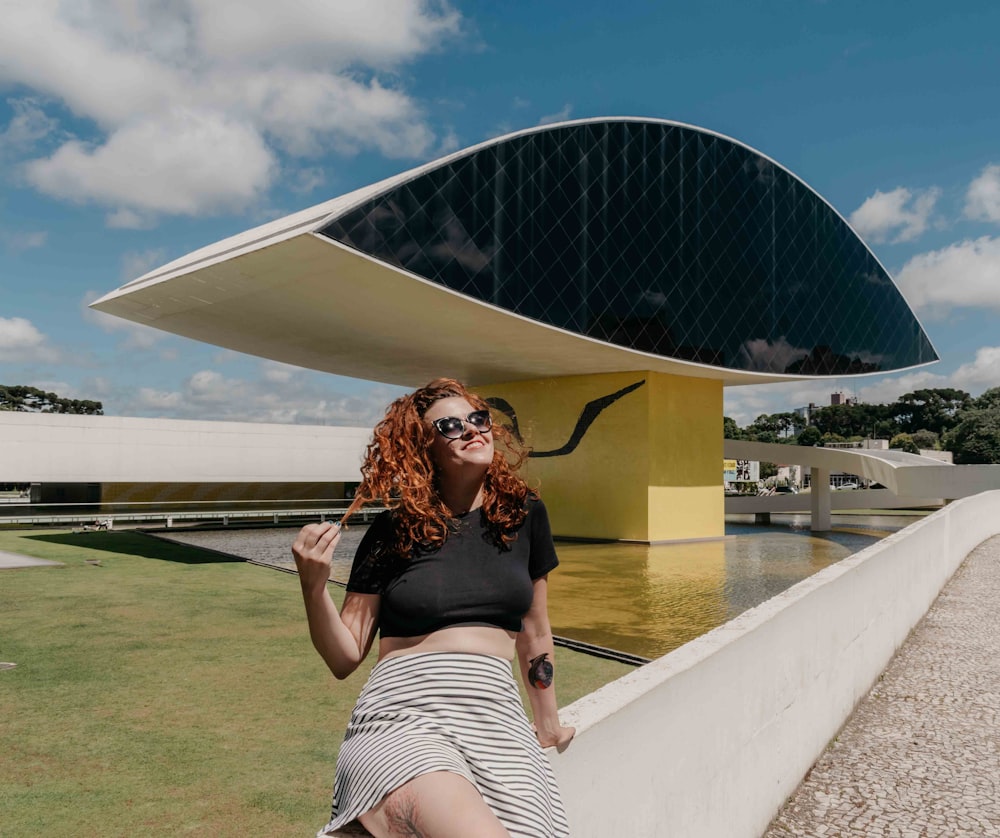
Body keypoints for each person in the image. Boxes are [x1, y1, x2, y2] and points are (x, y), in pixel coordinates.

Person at [292, 378, 575, 838]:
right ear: (423, 449)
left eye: (477, 418)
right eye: (450, 425)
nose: (471, 429)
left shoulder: (524, 515)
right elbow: (345, 656)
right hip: (404, 710)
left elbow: (536, 632)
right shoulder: (391, 531)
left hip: (494, 712)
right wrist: (313, 585)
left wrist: (548, 724)